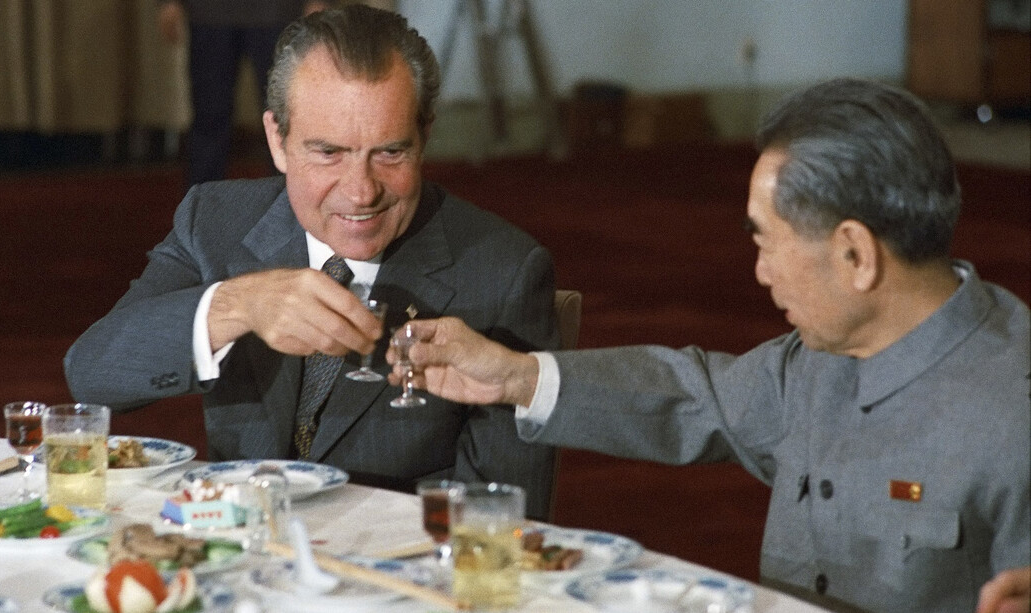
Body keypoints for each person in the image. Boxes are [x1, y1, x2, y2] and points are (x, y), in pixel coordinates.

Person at [390, 78, 1030, 613]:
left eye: (766, 241)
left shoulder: (1013, 412)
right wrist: (515, 379)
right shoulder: (819, 360)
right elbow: (692, 394)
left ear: (856, 254)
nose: (760, 272)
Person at [66, 5, 559, 518]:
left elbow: (502, 522)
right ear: (277, 141)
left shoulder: (504, 272)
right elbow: (93, 374)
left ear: (425, 137)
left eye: (390, 153)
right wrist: (236, 306)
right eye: (329, 153)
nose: (361, 191)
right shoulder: (215, 221)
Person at [157, 0, 313, 186]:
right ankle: (205, 207)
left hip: (278, 13)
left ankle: (293, 206)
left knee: (284, 119)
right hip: (210, 15)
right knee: (209, 118)